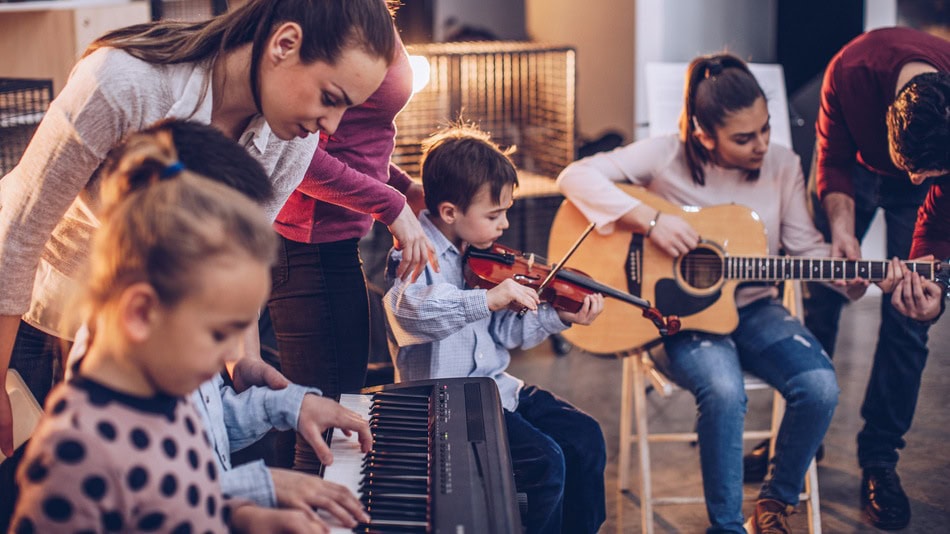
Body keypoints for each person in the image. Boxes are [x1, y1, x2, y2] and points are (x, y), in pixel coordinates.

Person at [0, 0, 396, 460]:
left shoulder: (295, 143)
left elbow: (234, 258)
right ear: (284, 44)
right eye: (330, 98)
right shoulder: (122, 82)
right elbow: (17, 237)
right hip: (38, 312)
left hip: (157, 331)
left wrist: (240, 361)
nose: (331, 125)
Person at [558, 53, 861, 533]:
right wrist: (651, 221)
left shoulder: (784, 164)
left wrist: (853, 275)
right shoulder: (665, 155)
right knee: (724, 390)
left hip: (757, 308)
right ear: (703, 134)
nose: (761, 144)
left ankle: (776, 503)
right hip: (674, 318)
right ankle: (726, 526)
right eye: (744, 137)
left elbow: (804, 248)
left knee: (820, 386)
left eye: (764, 129)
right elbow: (574, 176)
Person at [47, 120, 373, 531]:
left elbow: (209, 432)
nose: (228, 356)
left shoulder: (163, 361)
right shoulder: (83, 450)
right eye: (220, 333)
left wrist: (290, 405)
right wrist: (261, 487)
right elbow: (157, 497)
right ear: (141, 312)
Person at [383, 125, 608, 534]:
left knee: (584, 437)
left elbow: (504, 334)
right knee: (545, 461)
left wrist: (558, 316)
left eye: (505, 211)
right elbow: (409, 313)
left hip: (492, 387)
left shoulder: (479, 258)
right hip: (447, 403)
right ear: (450, 213)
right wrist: (486, 299)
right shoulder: (416, 250)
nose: (504, 225)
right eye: (494, 214)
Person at [267, 27, 437, 473]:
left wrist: (402, 186)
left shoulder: (368, 17)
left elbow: (356, 141)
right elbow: (295, 153)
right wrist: (391, 205)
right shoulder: (327, 21)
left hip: (333, 240)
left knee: (314, 416)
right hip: (308, 244)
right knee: (322, 423)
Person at [801, 27, 950, 530]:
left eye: (923, 170)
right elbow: (833, 161)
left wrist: (934, 294)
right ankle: (802, 437)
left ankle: (880, 461)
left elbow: (938, 221)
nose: (911, 179)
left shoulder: (932, 172)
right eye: (911, 167)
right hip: (857, 166)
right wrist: (842, 231)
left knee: (910, 316)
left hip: (938, 184)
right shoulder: (850, 72)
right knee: (820, 290)